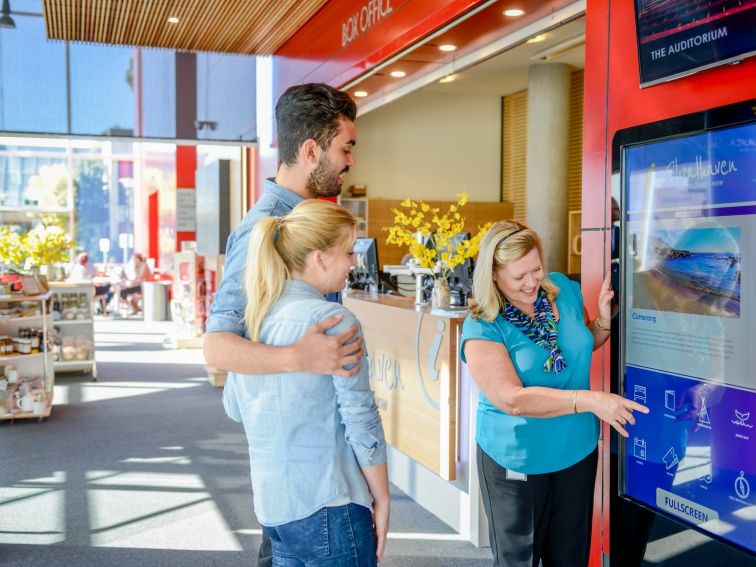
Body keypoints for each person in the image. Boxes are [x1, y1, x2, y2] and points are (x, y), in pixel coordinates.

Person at [203, 83, 364, 566]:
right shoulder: (262, 229)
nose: (351, 160)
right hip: (300, 469)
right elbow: (216, 347)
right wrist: (297, 357)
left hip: (320, 463)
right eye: (346, 147)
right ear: (311, 150)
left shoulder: (313, 219)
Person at [460, 220, 649, 567]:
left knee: (571, 556)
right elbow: (511, 399)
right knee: (521, 559)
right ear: (494, 275)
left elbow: (580, 345)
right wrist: (590, 400)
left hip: (576, 452)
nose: (532, 282)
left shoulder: (563, 290)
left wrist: (604, 321)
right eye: (519, 277)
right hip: (518, 459)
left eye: (536, 269)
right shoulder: (483, 324)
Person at [223, 199, 389, 566]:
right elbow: (360, 419)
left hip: (275, 509)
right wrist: (383, 497)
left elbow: (233, 407)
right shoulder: (333, 320)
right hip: (331, 503)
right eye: (347, 252)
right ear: (319, 258)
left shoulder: (253, 321)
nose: (353, 262)